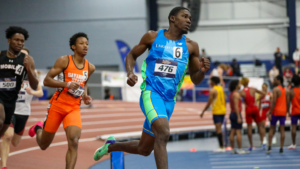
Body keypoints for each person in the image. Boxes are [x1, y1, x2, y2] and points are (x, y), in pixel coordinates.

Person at [93, 7, 210, 169]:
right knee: (163, 133)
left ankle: (111, 146)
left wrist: (202, 71)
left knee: (144, 149)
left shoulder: (191, 47)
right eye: (185, 16)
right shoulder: (153, 37)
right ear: (172, 19)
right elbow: (131, 55)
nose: (189, 20)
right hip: (151, 93)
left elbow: (196, 79)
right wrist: (129, 73)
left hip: (169, 101)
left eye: (190, 17)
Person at [28, 32, 95, 169]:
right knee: (43, 145)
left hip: (73, 108)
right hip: (57, 106)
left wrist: (85, 96)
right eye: (81, 43)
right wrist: (67, 84)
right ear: (73, 46)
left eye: (87, 43)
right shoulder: (64, 60)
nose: (85, 46)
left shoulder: (90, 67)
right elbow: (46, 81)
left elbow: (84, 83)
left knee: (74, 141)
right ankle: (39, 128)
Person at [1, 48, 44, 169]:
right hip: (10, 110)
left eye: (25, 57)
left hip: (23, 112)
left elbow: (40, 92)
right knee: (8, 136)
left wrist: (32, 92)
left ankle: (36, 128)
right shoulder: (9, 72)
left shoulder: (32, 75)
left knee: (15, 142)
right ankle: (4, 166)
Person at [0, 26, 38, 138]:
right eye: (16, 40)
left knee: (2, 131)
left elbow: (34, 85)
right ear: (9, 40)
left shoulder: (27, 59)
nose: (19, 43)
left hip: (11, 100)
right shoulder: (0, 55)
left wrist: (29, 69)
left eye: (22, 41)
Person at [200, 77, 226, 153]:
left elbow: (209, 102)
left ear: (213, 82)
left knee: (218, 130)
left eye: (210, 81)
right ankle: (222, 146)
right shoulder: (221, 88)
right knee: (220, 129)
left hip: (217, 111)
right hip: (223, 111)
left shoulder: (213, 90)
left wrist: (203, 112)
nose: (209, 82)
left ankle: (221, 147)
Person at [240, 78, 266, 150]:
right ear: (248, 82)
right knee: (260, 126)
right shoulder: (253, 89)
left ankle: (251, 145)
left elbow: (237, 99)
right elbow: (264, 94)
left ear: (242, 84)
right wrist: (258, 100)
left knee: (249, 128)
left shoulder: (241, 92)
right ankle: (263, 143)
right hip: (255, 108)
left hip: (248, 109)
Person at [266, 75, 289, 154]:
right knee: (282, 130)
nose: (273, 81)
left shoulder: (275, 89)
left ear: (279, 80)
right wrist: (287, 111)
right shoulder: (286, 90)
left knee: (272, 128)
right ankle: (281, 148)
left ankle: (269, 147)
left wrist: (269, 111)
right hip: (283, 112)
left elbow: (274, 102)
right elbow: (288, 102)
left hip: (276, 112)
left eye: (275, 80)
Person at [228, 80, 249, 154]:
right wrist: (238, 117)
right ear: (236, 86)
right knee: (238, 132)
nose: (240, 85)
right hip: (236, 113)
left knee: (232, 131)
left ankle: (233, 149)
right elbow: (236, 106)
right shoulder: (236, 94)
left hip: (232, 113)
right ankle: (240, 149)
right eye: (239, 84)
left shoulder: (231, 94)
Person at [287, 75, 300, 150]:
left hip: (295, 112)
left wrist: (288, 111)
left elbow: (288, 103)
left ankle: (294, 144)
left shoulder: (291, 91)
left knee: (293, 128)